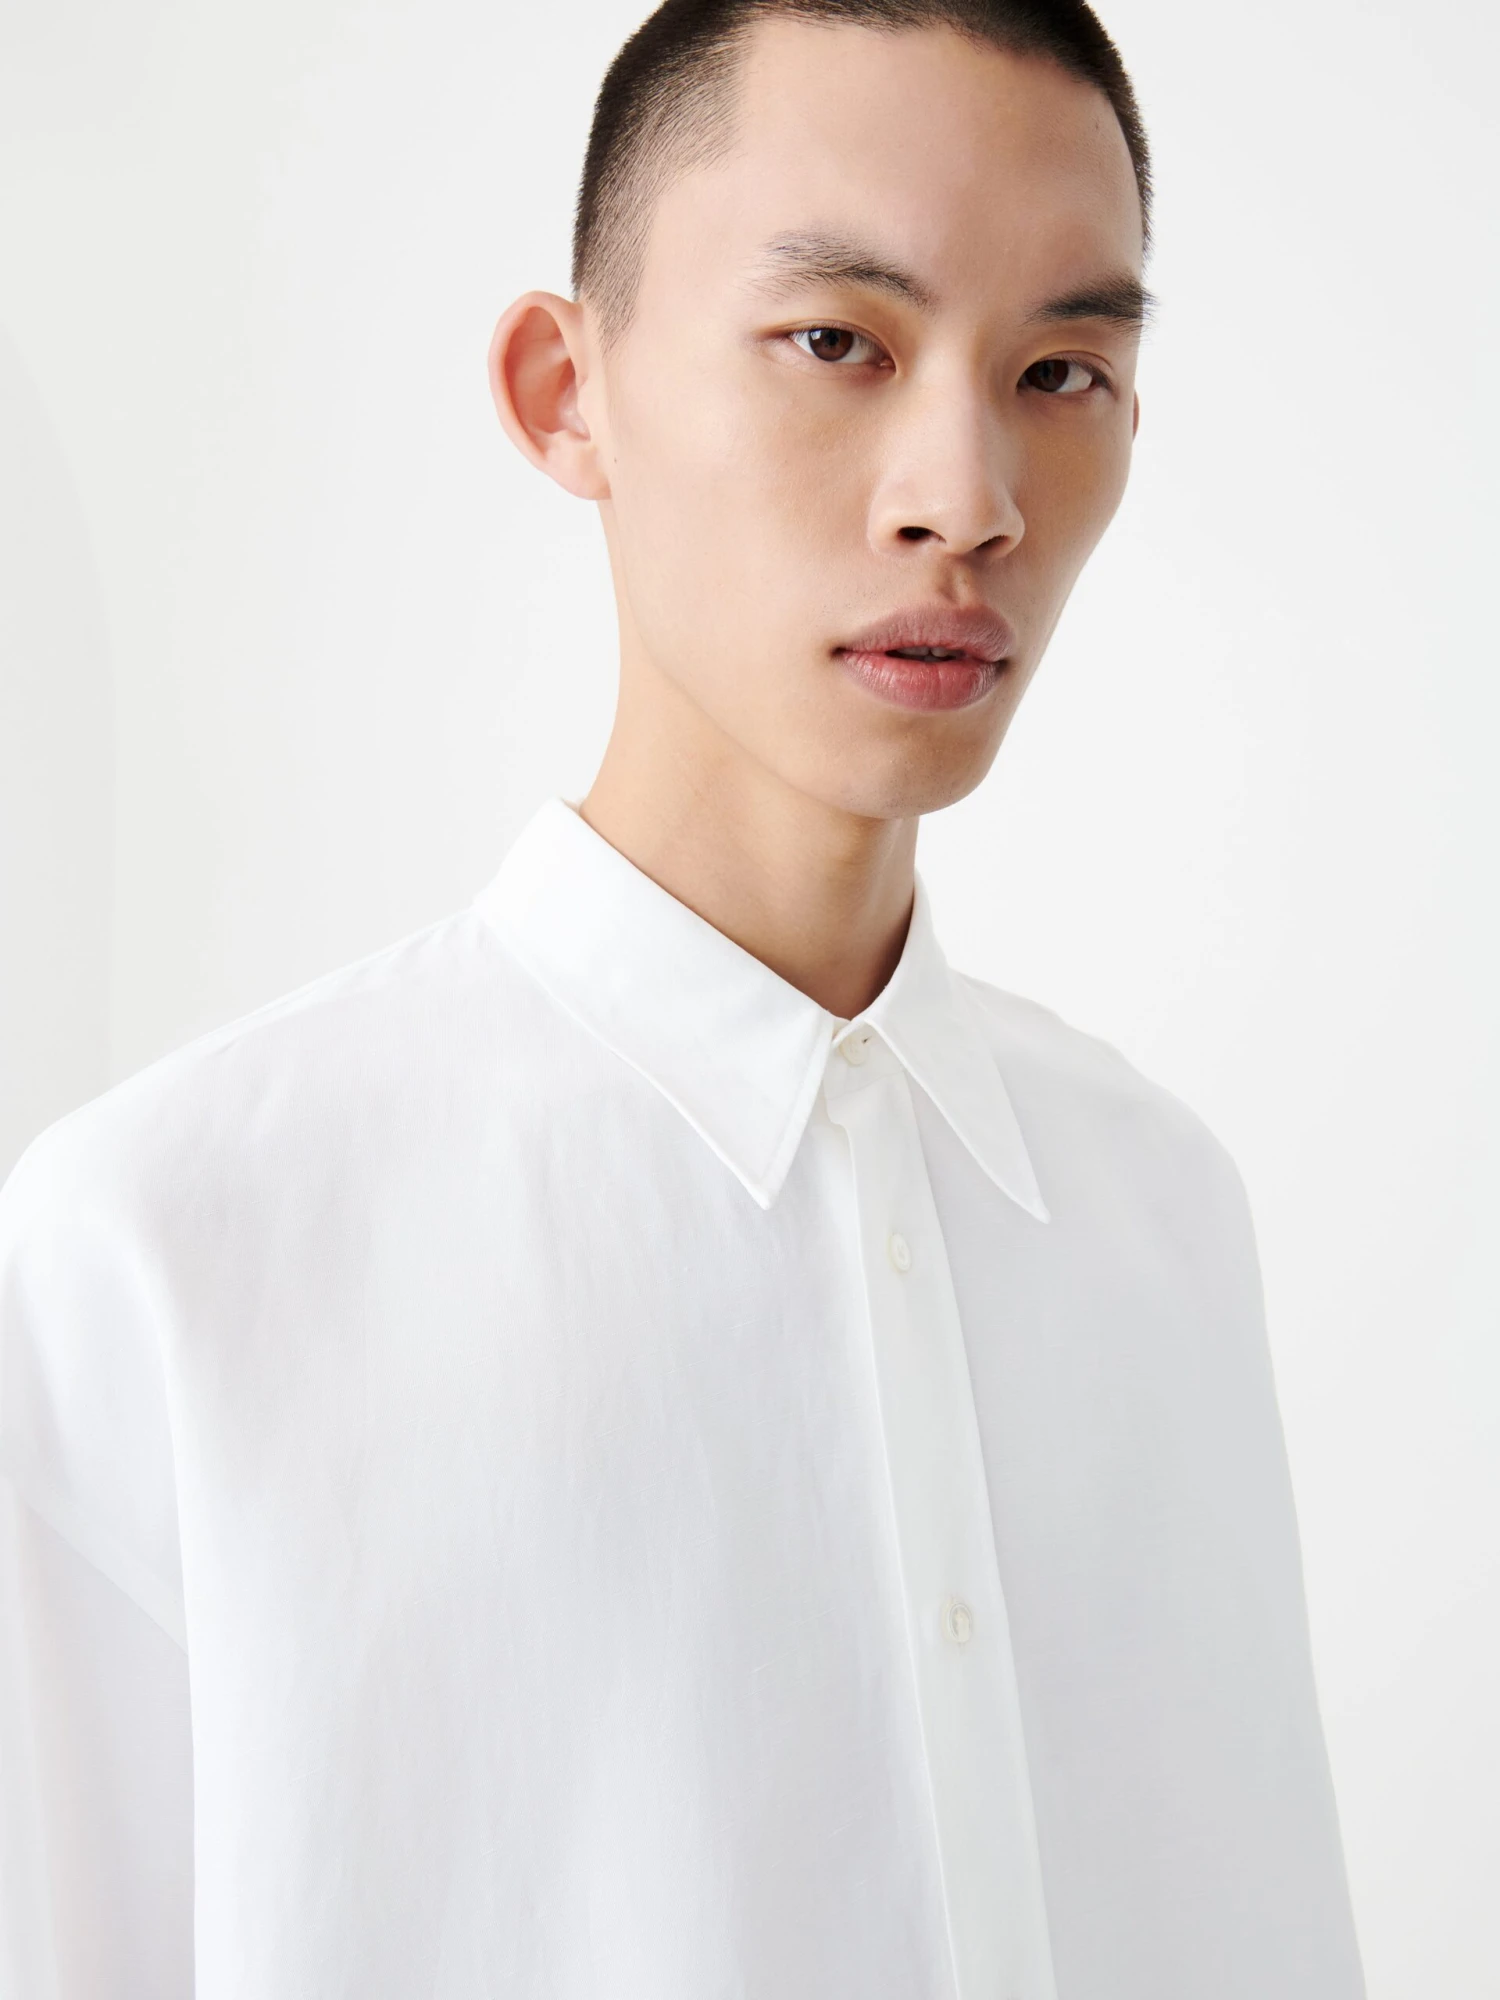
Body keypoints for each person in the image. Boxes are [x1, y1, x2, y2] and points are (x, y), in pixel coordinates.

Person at [0, 2, 1366, 1995]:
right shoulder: (162, 1252)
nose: (968, 495)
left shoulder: (1160, 1215)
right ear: (570, 394)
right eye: (837, 342)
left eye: (1061, 369)